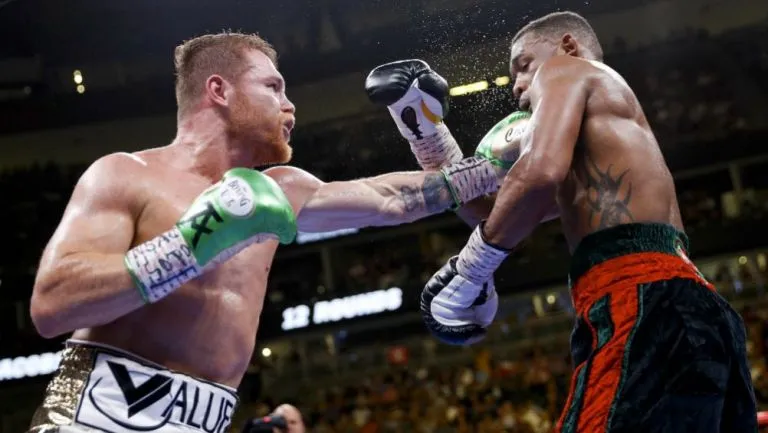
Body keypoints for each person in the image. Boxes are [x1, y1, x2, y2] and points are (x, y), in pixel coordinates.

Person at [27, 32, 507, 433]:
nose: (291, 105)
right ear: (219, 90)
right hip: (94, 414)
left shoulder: (280, 189)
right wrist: (190, 245)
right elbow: (52, 306)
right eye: (274, 87)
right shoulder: (126, 175)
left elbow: (395, 199)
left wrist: (496, 164)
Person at [405, 11, 756, 433]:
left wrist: (471, 269)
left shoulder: (567, 69)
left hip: (640, 298)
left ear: (568, 46)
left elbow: (538, 173)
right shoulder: (598, 150)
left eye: (523, 65)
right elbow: (498, 211)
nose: (517, 86)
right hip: (690, 305)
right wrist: (427, 135)